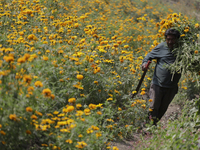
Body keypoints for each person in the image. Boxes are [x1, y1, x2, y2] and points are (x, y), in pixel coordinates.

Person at [142, 28, 181, 125]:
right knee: (153, 107)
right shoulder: (162, 47)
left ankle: (153, 126)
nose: (170, 42)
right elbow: (149, 56)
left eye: (172, 39)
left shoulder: (182, 50)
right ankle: (147, 127)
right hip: (157, 84)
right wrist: (144, 64)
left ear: (177, 39)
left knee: (163, 109)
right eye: (168, 39)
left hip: (171, 86)